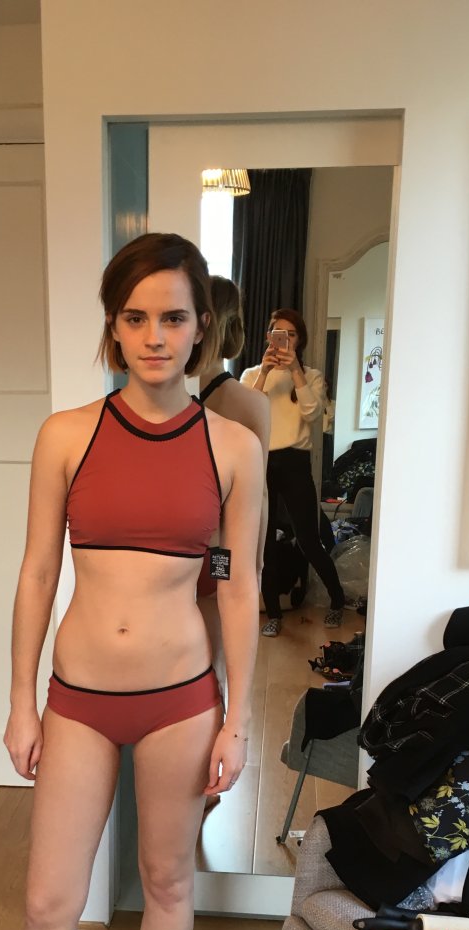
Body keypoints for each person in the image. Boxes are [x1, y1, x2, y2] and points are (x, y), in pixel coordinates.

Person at [0, 233, 263, 930]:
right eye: (136, 318)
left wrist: (238, 718)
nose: (155, 336)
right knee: (48, 901)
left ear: (202, 326)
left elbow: (240, 588)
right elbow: (36, 572)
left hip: (181, 702)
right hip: (79, 701)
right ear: (114, 326)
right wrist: (21, 703)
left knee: (167, 882)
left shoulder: (235, 447)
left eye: (173, 317)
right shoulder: (66, 434)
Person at [240, 309, 346, 635]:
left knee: (309, 540)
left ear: (300, 341)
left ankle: (337, 600)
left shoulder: (311, 376)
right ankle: (273, 613)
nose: (284, 340)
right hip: (261, 461)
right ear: (268, 337)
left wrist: (296, 370)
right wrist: (264, 372)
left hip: (296, 462)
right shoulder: (250, 375)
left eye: (291, 335)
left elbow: (313, 414)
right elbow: (245, 415)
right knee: (265, 543)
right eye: (278, 333)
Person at [195, 275, 270, 690]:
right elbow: (259, 495)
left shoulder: (169, 402)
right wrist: (256, 565)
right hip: (221, 554)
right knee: (215, 668)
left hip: (179, 554)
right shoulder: (251, 403)